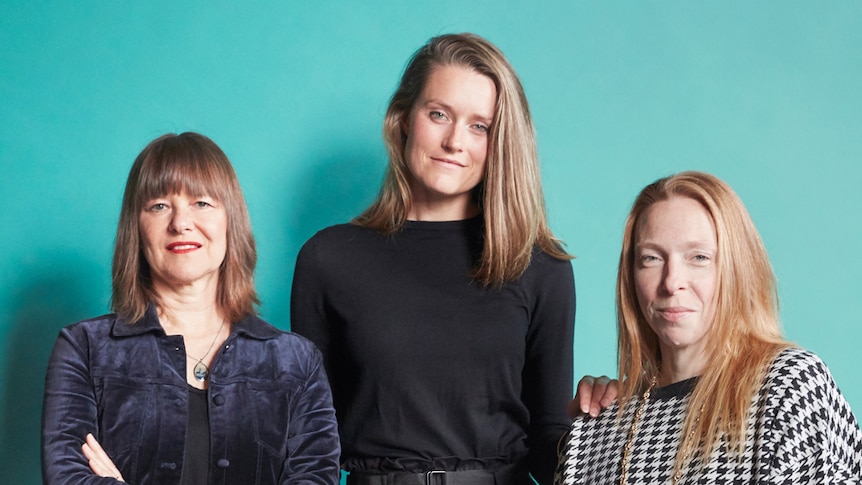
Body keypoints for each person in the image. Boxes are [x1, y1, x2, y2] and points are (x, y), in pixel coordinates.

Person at [291, 32, 606, 484]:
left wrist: (607, 430)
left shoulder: (539, 265)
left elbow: (547, 439)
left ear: (499, 141)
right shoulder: (328, 259)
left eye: (480, 126)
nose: (455, 141)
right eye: (439, 114)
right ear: (402, 119)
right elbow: (311, 441)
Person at [42, 132, 341, 484]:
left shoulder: (297, 362)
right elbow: (68, 477)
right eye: (159, 206)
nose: (180, 223)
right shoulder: (84, 350)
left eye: (201, 203)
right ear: (136, 229)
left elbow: (316, 477)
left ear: (231, 221)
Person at [555, 171, 862, 484]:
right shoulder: (597, 427)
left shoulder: (787, 387)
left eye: (699, 257)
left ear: (736, 269)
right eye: (651, 258)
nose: (672, 282)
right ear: (631, 277)